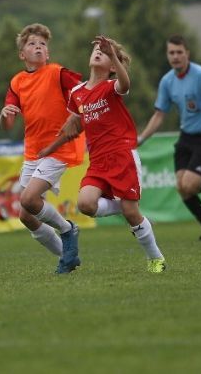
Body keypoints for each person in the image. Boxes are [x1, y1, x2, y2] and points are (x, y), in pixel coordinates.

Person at [39, 36, 166, 273]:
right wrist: (50, 147)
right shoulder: (77, 93)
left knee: (131, 214)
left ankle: (155, 258)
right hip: (98, 161)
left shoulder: (112, 86)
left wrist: (115, 56)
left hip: (122, 155)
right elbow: (73, 125)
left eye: (104, 53)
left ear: (111, 66)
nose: (98, 52)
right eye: (96, 50)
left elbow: (125, 85)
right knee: (85, 204)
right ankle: (127, 206)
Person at [0, 23, 85, 274]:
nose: (38, 47)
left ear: (47, 54)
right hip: (33, 152)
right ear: (22, 54)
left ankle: (68, 229)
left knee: (28, 198)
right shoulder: (17, 82)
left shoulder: (58, 73)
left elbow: (83, 94)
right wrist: (5, 114)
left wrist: (77, 113)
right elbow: (7, 124)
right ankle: (67, 256)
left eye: (43, 44)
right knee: (26, 215)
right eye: (32, 44)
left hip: (58, 148)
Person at [136, 35, 201, 242]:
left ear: (187, 54)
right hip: (187, 137)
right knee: (183, 189)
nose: (175, 56)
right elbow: (159, 115)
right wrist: (141, 139)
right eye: (171, 53)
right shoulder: (167, 81)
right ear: (167, 55)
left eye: (179, 52)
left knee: (190, 185)